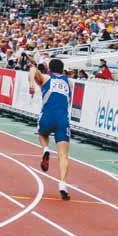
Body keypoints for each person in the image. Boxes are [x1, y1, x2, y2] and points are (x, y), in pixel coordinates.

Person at [29, 58, 72, 200]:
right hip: (63, 118)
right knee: (64, 155)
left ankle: (46, 149)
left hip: (48, 115)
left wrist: (34, 69)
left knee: (42, 133)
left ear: (50, 69)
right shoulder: (69, 82)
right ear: (63, 69)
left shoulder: (46, 77)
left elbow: (34, 72)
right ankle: (63, 183)